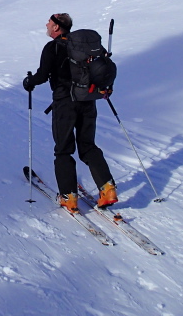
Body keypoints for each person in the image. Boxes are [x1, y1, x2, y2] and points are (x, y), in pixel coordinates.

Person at [23, 13, 117, 212]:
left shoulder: (53, 47)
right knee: (88, 146)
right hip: (87, 101)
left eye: (49, 22)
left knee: (64, 149)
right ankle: (107, 188)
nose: (46, 25)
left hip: (65, 104)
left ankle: (68, 197)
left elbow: (41, 75)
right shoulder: (83, 49)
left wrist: (28, 82)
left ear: (57, 27)